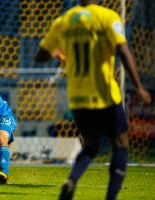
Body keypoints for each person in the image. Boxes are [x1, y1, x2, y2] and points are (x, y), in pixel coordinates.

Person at [34, 0, 151, 200]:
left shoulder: (64, 21)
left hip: (78, 98)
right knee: (121, 143)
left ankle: (71, 180)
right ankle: (111, 196)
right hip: (105, 95)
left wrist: (59, 53)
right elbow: (123, 50)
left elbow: (40, 55)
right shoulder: (107, 17)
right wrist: (139, 86)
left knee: (90, 146)